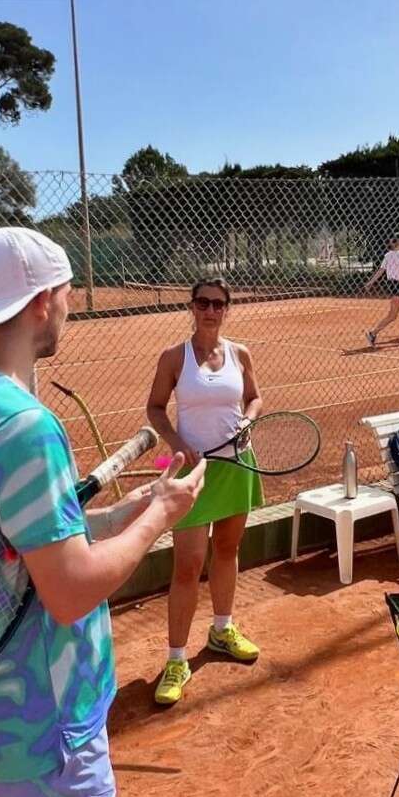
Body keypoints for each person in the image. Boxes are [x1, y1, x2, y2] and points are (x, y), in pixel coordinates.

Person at [0, 227, 204, 797]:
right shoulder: (25, 424)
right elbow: (71, 589)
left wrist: (131, 510)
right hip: (48, 721)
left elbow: (23, 544)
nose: (69, 309)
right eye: (66, 295)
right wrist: (164, 517)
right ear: (40, 303)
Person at [145, 277, 264, 706]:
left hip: (236, 465)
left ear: (227, 309)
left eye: (218, 304)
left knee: (228, 550)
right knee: (188, 565)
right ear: (192, 307)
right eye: (203, 303)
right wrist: (178, 443)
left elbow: (255, 398)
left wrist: (248, 421)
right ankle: (176, 659)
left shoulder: (240, 354)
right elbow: (155, 408)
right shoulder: (173, 357)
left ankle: (222, 629)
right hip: (193, 474)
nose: (210, 310)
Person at [362, 233, 399, 346]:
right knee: (392, 315)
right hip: (397, 286)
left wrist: (370, 282)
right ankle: (372, 333)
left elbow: (381, 270)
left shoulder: (388, 255)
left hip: (393, 285)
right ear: (398, 242)